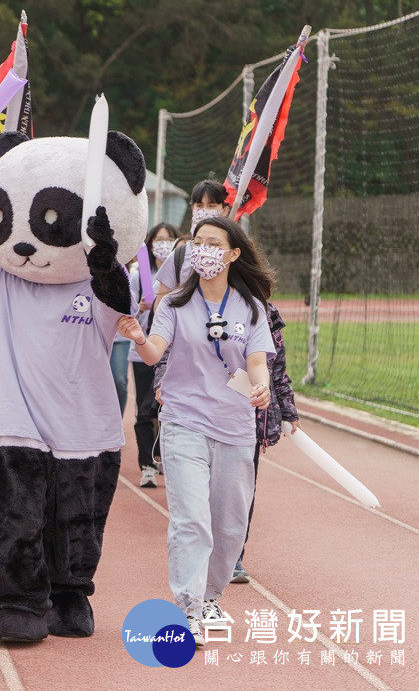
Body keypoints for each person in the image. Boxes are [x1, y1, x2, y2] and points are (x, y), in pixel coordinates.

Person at [119, 215, 275, 647]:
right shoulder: (173, 306)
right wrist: (137, 336)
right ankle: (188, 605)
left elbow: (257, 361)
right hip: (184, 421)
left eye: (213, 243)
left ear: (233, 253)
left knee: (228, 525)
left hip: (235, 427)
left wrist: (259, 385)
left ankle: (210, 597)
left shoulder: (251, 308)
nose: (203, 250)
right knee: (191, 520)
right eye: (198, 243)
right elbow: (154, 355)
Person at [230, 301, 299, 583]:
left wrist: (288, 409)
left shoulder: (268, 317)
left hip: (250, 423)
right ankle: (203, 552)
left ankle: (233, 557)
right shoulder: (205, 306)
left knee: (241, 493)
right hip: (208, 416)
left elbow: (278, 371)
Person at [130, 222, 180, 489]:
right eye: (158, 239)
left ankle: (161, 455)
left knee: (165, 407)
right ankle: (147, 465)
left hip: (171, 353)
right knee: (144, 410)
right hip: (142, 352)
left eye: (168, 239)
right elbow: (125, 313)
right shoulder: (142, 275)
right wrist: (139, 308)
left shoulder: (181, 273)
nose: (163, 243)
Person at [154, 180, 232, 300]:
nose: (204, 210)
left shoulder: (232, 254)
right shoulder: (180, 254)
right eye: (199, 206)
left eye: (211, 206)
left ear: (225, 210)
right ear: (193, 209)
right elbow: (160, 303)